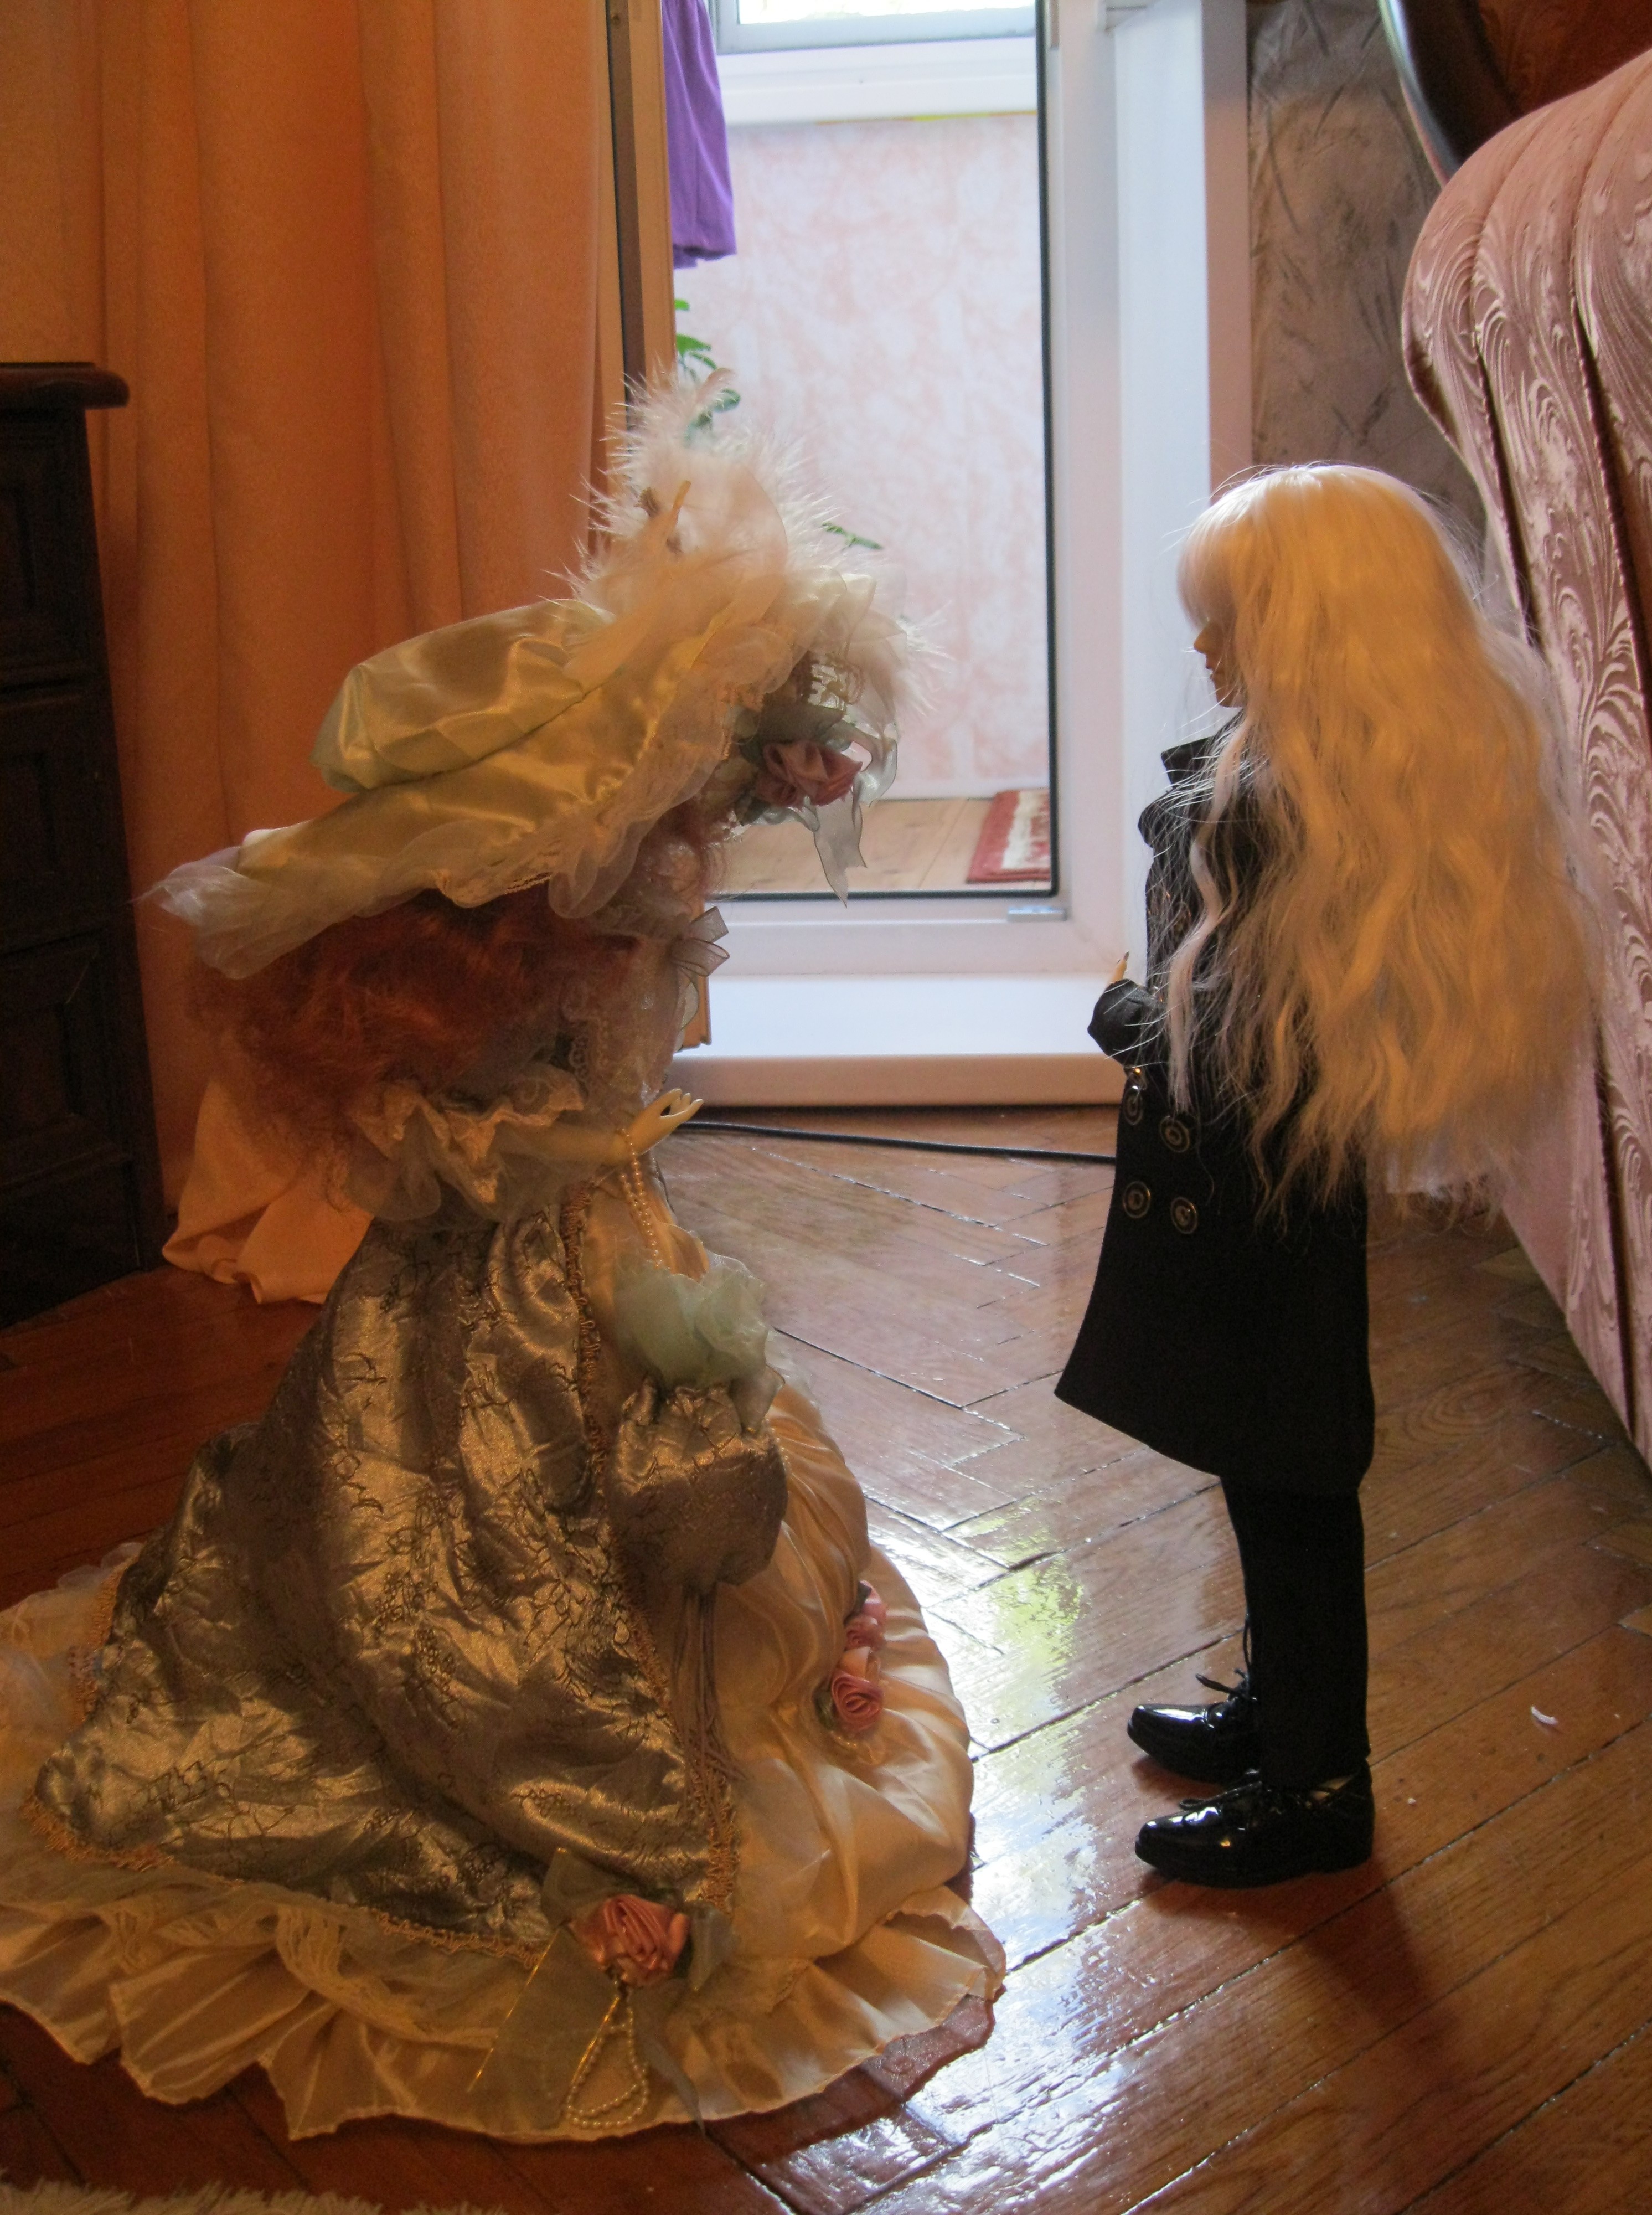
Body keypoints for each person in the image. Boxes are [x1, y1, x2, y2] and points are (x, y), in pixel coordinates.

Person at [0, 385, 1001, 2137]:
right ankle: (583, 1801)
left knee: (665, 1496)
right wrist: (542, 1166)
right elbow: (471, 1130)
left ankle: (677, 1665)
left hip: (596, 1248)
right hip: (505, 1294)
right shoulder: (500, 978)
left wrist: (761, 764)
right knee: (462, 1552)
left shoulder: (598, 904)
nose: (687, 862)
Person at [1057, 465, 1589, 1888]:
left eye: (1227, 618)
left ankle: (1316, 1781)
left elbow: (1236, 1040)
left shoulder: (1279, 808)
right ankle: (1282, 1709)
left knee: (1288, 1477)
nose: (1203, 644)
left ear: (1306, 629)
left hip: (1258, 1209)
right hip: (1268, 1201)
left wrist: (1125, 1015)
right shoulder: (1317, 787)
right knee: (1270, 1471)